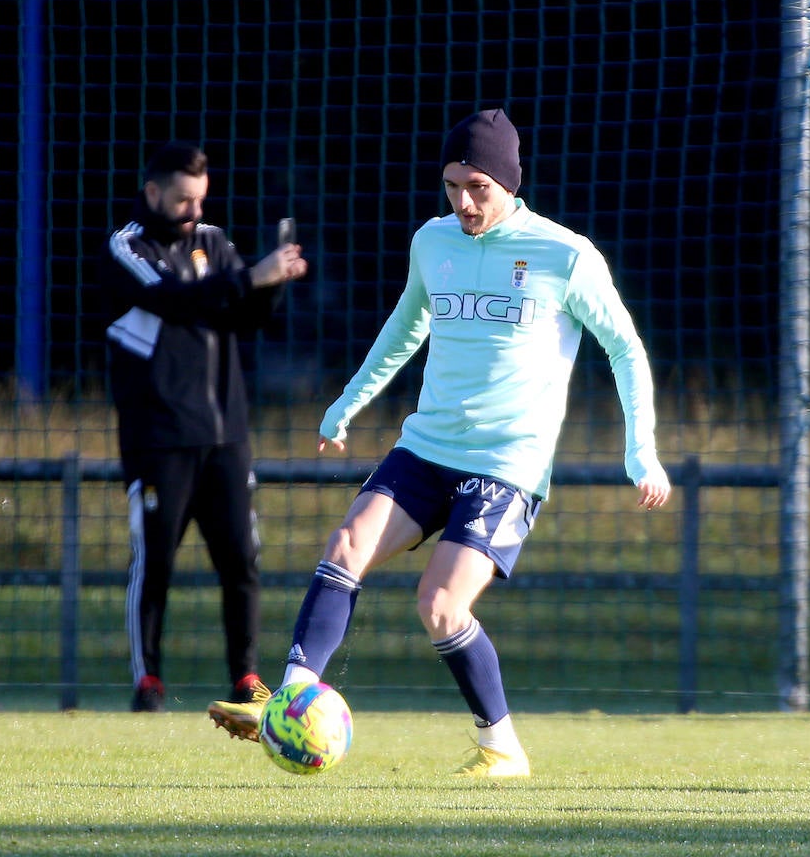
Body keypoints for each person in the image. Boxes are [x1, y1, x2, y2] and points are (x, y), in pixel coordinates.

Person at [207, 109, 671, 776]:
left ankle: (500, 746)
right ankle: (293, 698)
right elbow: (405, 327)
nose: (464, 201)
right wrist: (346, 404)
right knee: (346, 545)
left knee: (441, 605)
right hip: (426, 448)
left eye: (478, 186)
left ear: (510, 182)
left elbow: (625, 348)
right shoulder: (434, 241)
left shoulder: (565, 255)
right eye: (453, 185)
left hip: (506, 466)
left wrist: (640, 451)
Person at [103, 141, 308, 713]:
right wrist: (250, 279)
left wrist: (272, 281)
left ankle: (245, 678)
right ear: (153, 194)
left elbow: (242, 315)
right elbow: (174, 302)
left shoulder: (213, 242)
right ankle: (148, 682)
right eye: (182, 200)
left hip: (227, 437)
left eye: (200, 199)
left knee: (241, 560)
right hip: (159, 440)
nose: (194, 211)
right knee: (156, 562)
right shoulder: (127, 247)